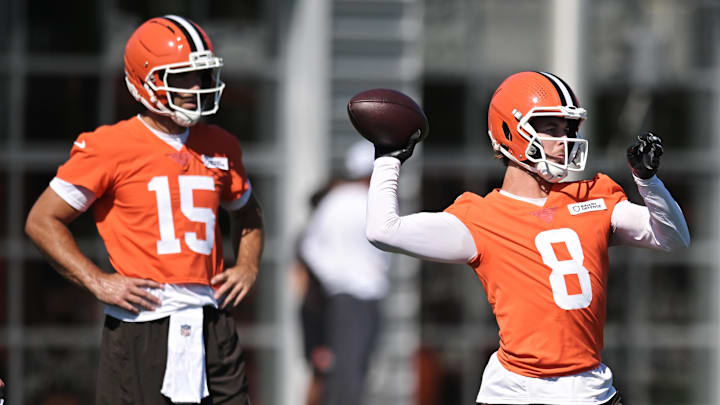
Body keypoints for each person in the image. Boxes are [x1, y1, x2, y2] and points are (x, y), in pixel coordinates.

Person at [364, 71, 690, 405]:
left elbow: (673, 238)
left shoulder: (593, 196)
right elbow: (383, 230)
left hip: (588, 389)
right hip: (513, 390)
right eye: (551, 128)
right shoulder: (480, 217)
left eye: (568, 129)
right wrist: (388, 158)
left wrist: (648, 182)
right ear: (510, 130)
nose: (564, 140)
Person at [25, 15, 263, 405]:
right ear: (144, 82)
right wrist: (98, 280)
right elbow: (41, 221)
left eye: (200, 76)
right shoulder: (109, 146)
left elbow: (249, 213)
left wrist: (248, 265)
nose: (195, 88)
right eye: (182, 77)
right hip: (145, 323)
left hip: (212, 321)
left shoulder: (221, 144)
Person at [295, 140, 391, 405]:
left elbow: (310, 248)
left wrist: (333, 279)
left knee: (347, 369)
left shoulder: (334, 200)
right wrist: (343, 277)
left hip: (344, 295)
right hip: (357, 295)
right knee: (352, 371)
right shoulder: (368, 201)